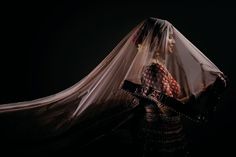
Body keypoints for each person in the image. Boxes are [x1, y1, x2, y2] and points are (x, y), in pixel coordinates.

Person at [0, 18, 227, 156]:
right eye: (169, 38)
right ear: (157, 40)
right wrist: (203, 95)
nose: (172, 42)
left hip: (168, 134)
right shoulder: (153, 70)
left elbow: (170, 100)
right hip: (160, 137)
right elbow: (166, 109)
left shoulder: (159, 69)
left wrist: (201, 93)